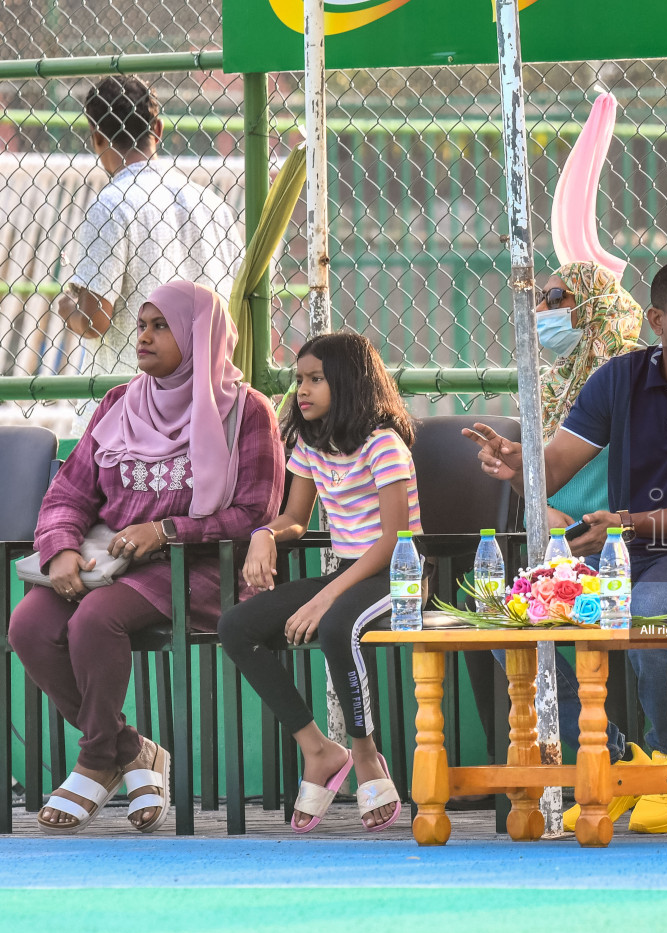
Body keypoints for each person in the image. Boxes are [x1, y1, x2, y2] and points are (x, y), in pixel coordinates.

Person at [466, 257, 667, 835]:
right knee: (510, 625)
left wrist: (628, 526)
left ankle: (665, 768)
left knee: (646, 619)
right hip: (616, 557)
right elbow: (550, 471)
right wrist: (516, 468)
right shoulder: (619, 377)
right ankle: (612, 761)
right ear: (658, 320)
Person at [12, 281, 283, 834]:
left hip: (199, 567)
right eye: (141, 325)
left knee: (95, 618)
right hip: (111, 560)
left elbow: (255, 512)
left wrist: (165, 530)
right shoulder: (119, 403)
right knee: (30, 625)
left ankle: (94, 761)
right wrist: (60, 547)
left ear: (198, 334)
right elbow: (69, 492)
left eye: (161, 326)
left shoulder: (246, 411)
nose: (144, 337)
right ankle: (130, 751)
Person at [458, 261, 646, 813]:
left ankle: (645, 762)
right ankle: (597, 751)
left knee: (591, 613)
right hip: (566, 547)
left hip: (630, 543)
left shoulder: (636, 383)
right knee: (493, 613)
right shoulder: (552, 383)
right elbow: (546, 492)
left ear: (595, 309)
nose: (539, 312)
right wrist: (516, 476)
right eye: (539, 298)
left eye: (556, 298)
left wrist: (602, 523)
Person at [219, 332, 422, 833]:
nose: (301, 391)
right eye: (298, 380)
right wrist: (266, 534)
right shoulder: (311, 444)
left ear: (348, 384)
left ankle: (365, 752)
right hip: (348, 572)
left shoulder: (383, 445)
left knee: (335, 627)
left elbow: (396, 540)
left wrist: (328, 595)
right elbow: (295, 515)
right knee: (237, 628)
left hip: (402, 576)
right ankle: (317, 749)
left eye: (315, 380)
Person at [56, 75, 241, 382]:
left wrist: (68, 308)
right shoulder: (213, 205)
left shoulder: (111, 205)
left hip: (130, 402)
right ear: (157, 129)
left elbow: (92, 320)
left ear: (96, 138)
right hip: (206, 394)